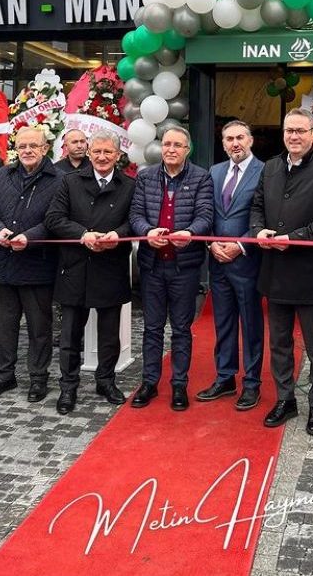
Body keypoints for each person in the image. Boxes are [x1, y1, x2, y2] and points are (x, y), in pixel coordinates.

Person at [250, 107, 313, 436]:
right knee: (279, 342)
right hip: (274, 271)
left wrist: (293, 238)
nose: (294, 136)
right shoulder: (271, 167)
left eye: (300, 131)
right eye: (289, 130)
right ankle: (285, 399)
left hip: (309, 272)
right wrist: (258, 230)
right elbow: (257, 205)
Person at [46, 130, 135, 414]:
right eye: (96, 151)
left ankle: (106, 381)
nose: (102, 157)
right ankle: (68, 387)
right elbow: (53, 218)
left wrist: (117, 234)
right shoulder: (69, 181)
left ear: (118, 155)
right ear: (89, 153)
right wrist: (82, 234)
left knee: (109, 335)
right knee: (70, 335)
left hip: (111, 266)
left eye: (108, 152)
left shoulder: (129, 185)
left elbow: (135, 220)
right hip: (76, 266)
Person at [129, 126, 213, 411]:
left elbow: (205, 215)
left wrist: (190, 232)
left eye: (178, 145)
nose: (171, 149)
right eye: (167, 144)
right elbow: (135, 214)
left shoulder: (201, 177)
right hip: (152, 265)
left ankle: (179, 384)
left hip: (184, 267)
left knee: (181, 328)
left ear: (187, 149)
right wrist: (147, 231)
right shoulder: (145, 177)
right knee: (152, 327)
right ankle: (149, 382)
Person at [0, 127, 62, 403]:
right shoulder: (3, 174)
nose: (27, 150)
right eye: (22, 146)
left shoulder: (59, 179)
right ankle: (4, 375)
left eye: (33, 146)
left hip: (38, 265)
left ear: (45, 148)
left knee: (39, 328)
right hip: (6, 263)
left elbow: (57, 219)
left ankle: (38, 378)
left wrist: (30, 237)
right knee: (5, 325)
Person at [197, 120, 265, 410]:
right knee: (222, 323)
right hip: (218, 261)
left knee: (251, 325)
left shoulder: (265, 172)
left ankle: (251, 383)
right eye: (229, 139)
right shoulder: (215, 172)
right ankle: (225, 378)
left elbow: (265, 216)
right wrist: (210, 243)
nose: (235, 143)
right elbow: (206, 212)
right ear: (223, 144)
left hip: (247, 261)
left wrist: (240, 245)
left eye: (240, 137)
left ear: (250, 140)